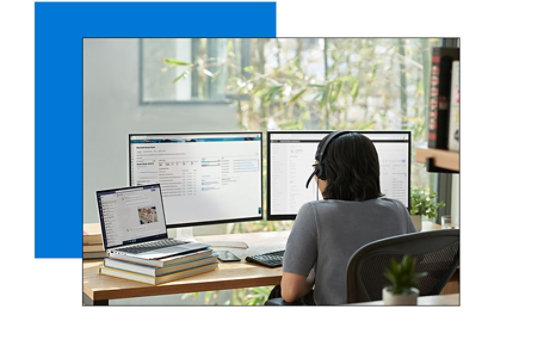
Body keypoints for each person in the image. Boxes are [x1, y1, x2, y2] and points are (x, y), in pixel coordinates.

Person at [279, 131, 417, 305]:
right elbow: (415, 269)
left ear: (323, 173)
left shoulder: (313, 213)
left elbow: (290, 292)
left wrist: (313, 274)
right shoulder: (398, 210)